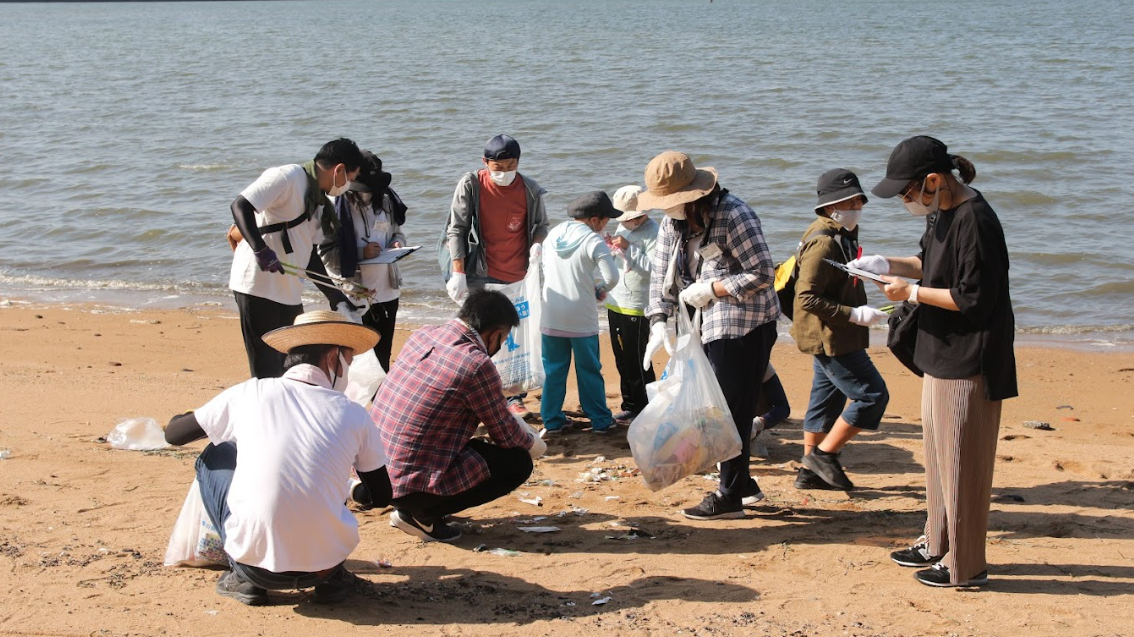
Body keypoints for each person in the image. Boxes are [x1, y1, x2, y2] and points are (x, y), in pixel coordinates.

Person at [854, 135, 1017, 588]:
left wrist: (910, 294)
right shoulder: (942, 211)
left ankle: (967, 565)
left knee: (963, 464)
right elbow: (929, 263)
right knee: (938, 456)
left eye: (908, 193)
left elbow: (974, 300)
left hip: (972, 356)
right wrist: (892, 266)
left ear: (933, 180)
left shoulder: (976, 219)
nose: (907, 201)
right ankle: (936, 539)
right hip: (940, 351)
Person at [162, 310, 393, 606]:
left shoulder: (252, 393)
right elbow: (382, 494)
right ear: (333, 359)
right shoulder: (354, 413)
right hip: (325, 568)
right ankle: (333, 580)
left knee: (215, 452)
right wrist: (345, 489)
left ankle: (244, 578)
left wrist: (190, 416)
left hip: (254, 568)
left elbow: (174, 435)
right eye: (348, 361)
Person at [639, 151, 780, 519]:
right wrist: (657, 319)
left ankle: (729, 497)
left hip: (746, 323)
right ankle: (743, 484)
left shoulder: (735, 214)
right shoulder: (674, 223)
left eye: (672, 202)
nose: (666, 210)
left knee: (730, 410)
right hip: (702, 323)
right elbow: (660, 276)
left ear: (695, 194)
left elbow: (764, 273)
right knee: (715, 406)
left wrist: (715, 288)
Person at [366, 290, 547, 542]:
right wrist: (534, 443)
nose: (501, 345)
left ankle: (416, 506)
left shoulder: (422, 334)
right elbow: (507, 436)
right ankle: (422, 514)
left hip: (374, 471)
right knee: (517, 463)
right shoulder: (477, 364)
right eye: (503, 338)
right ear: (495, 334)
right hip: (407, 484)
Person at [229, 138, 366, 379]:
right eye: (351, 178)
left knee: (294, 364)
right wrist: (260, 249)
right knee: (265, 368)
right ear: (340, 170)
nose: (349, 185)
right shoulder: (288, 177)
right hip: (256, 284)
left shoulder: (321, 201)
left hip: (289, 291)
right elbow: (240, 206)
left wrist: (336, 297)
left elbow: (310, 254)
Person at [790, 169, 890, 491]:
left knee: (825, 402)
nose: (858, 205)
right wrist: (854, 314)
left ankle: (809, 474)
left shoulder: (844, 235)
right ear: (831, 205)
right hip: (831, 336)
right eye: (851, 201)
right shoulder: (823, 242)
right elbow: (805, 297)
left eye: (860, 200)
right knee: (872, 395)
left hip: (835, 333)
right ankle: (824, 456)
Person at [444, 134, 550, 418]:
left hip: (517, 275)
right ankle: (474, 391)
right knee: (477, 334)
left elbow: (542, 224)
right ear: (485, 162)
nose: (503, 172)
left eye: (509, 165)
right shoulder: (472, 184)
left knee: (513, 338)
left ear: (518, 161)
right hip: (480, 273)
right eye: (497, 167)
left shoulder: (530, 189)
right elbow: (456, 228)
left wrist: (537, 244)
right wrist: (457, 272)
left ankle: (514, 396)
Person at [319, 149, 409, 372]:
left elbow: (397, 232)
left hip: (387, 290)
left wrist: (397, 243)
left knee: (382, 356)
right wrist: (361, 253)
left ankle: (378, 404)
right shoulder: (334, 205)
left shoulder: (387, 200)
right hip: (353, 291)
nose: (371, 192)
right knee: (352, 358)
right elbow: (326, 255)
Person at [539, 191, 621, 434]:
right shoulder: (593, 240)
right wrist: (601, 288)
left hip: (551, 311)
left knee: (554, 369)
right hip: (581, 317)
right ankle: (600, 420)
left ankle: (552, 420)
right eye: (606, 219)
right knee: (588, 369)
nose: (607, 224)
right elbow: (612, 277)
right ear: (594, 219)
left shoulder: (553, 235)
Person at [604, 185, 661, 425]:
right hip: (616, 300)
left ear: (643, 214)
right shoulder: (621, 226)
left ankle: (644, 405)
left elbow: (655, 268)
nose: (627, 224)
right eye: (624, 219)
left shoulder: (654, 231)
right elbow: (621, 261)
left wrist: (629, 248)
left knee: (638, 358)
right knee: (621, 357)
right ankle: (629, 404)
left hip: (638, 304)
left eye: (632, 219)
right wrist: (612, 248)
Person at [749, 363, 791, 458]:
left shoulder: (760, 363)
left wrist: (759, 423)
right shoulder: (712, 365)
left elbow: (783, 407)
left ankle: (750, 436)